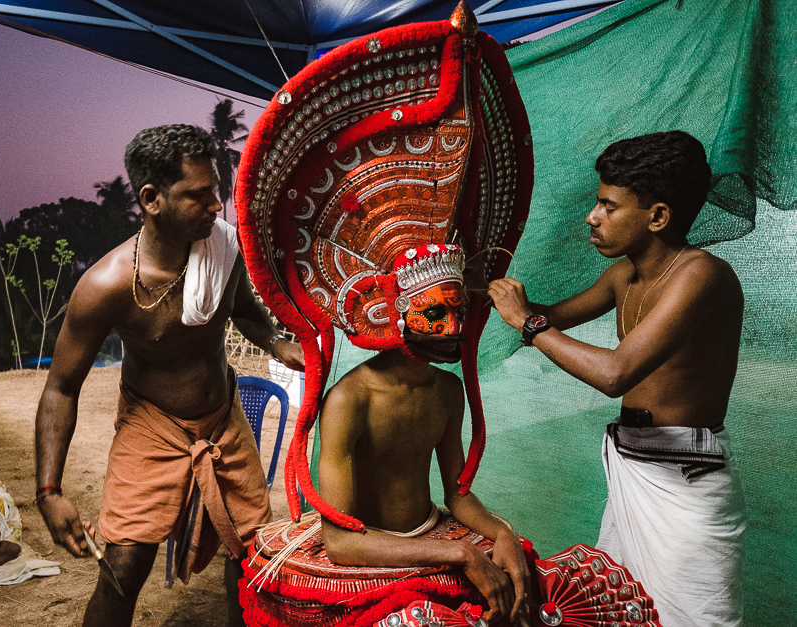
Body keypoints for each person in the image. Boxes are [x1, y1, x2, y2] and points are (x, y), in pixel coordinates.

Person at [34, 124, 304, 627]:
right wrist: (49, 492)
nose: (216, 207)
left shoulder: (223, 250)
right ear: (152, 198)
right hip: (151, 426)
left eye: (217, 193)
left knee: (253, 559)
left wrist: (275, 342)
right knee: (123, 568)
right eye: (199, 196)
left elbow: (243, 308)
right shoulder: (106, 285)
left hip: (223, 418)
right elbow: (61, 388)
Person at [488, 130, 746, 627]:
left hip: (687, 484)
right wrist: (484, 289)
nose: (592, 216)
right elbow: (547, 318)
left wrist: (527, 322)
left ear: (658, 217)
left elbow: (615, 372)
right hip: (634, 464)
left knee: (696, 619)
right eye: (596, 202)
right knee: (620, 607)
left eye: (608, 205)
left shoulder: (703, 274)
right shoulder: (621, 276)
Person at [317, 245, 532, 626]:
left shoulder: (448, 389)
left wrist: (504, 534)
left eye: (459, 312)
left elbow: (457, 495)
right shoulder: (348, 400)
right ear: (393, 315)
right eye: (434, 313)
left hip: (431, 527)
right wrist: (461, 555)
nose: (453, 328)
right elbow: (340, 542)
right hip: (373, 547)